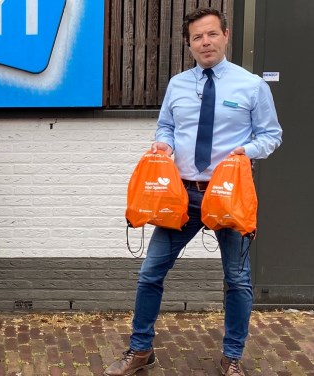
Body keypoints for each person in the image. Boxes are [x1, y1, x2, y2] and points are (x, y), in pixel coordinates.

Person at [104, 8, 282, 376]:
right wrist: (163, 145)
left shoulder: (251, 86)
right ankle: (140, 350)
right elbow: (166, 126)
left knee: (237, 280)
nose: (205, 42)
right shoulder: (178, 84)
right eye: (198, 37)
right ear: (189, 44)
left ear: (226, 36)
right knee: (150, 273)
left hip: (228, 196)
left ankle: (232, 357)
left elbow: (271, 135)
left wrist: (244, 151)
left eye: (212, 34)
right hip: (181, 196)